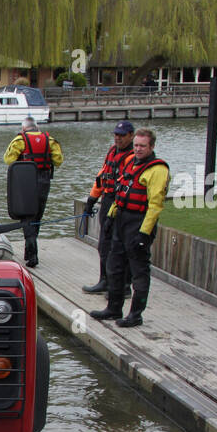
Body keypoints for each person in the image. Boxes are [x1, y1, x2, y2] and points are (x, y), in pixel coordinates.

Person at [90, 127, 169, 328]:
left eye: (143, 146)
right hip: (121, 220)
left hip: (139, 223)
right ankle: (114, 308)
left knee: (139, 271)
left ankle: (136, 314)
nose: (138, 149)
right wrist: (110, 216)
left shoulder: (158, 170)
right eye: (136, 145)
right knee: (114, 266)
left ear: (151, 146)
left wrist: (144, 233)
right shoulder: (131, 163)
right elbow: (120, 193)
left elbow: (155, 205)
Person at [82, 120, 134, 295]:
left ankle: (124, 285)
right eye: (116, 135)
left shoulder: (133, 157)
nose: (118, 138)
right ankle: (105, 280)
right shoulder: (112, 152)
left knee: (119, 246)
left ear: (131, 136)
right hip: (107, 199)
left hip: (121, 204)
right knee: (104, 244)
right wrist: (92, 198)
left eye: (122, 135)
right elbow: (102, 176)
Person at [2, 116, 63, 267]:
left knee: (26, 215)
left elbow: (8, 160)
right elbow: (58, 160)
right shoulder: (50, 140)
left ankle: (32, 253)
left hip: (26, 180)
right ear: (37, 127)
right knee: (37, 215)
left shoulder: (19, 140)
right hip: (44, 180)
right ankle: (30, 251)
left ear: (24, 128)